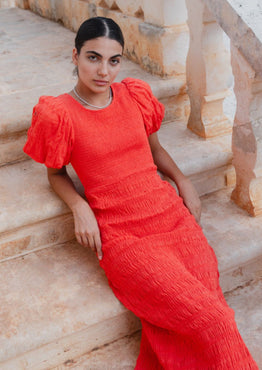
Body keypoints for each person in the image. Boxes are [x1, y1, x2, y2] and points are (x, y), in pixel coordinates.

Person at [23, 16, 258, 369]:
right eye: (93, 57)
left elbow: (156, 151)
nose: (104, 70)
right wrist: (79, 205)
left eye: (113, 60)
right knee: (215, 320)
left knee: (208, 309)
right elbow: (55, 174)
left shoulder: (134, 95)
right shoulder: (59, 114)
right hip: (124, 235)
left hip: (170, 216)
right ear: (75, 56)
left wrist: (183, 181)